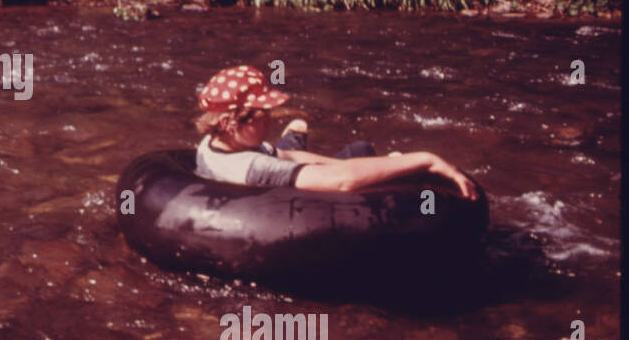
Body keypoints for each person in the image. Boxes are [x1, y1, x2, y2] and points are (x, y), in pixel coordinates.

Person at [194, 64, 477, 199]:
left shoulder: (212, 143)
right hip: (287, 209)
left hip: (263, 187)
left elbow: (287, 156)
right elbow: (344, 181)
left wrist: (380, 165)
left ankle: (298, 131)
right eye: (261, 115)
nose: (269, 121)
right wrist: (425, 159)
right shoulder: (254, 167)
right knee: (363, 152)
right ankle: (299, 131)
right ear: (231, 123)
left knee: (356, 153)